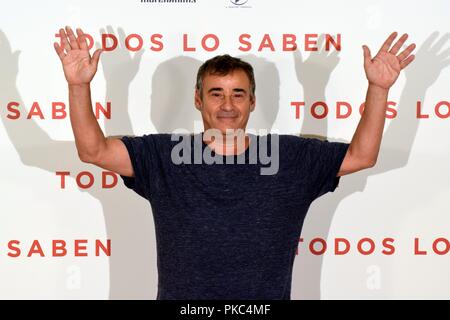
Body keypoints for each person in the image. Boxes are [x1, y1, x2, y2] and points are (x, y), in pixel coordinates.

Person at [54, 26, 415, 299]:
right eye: (216, 93)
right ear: (198, 100)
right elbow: (94, 151)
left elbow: (361, 155)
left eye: (237, 94)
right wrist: (78, 86)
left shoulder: (290, 158)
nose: (228, 105)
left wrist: (379, 89)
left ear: (252, 102)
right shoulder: (163, 156)